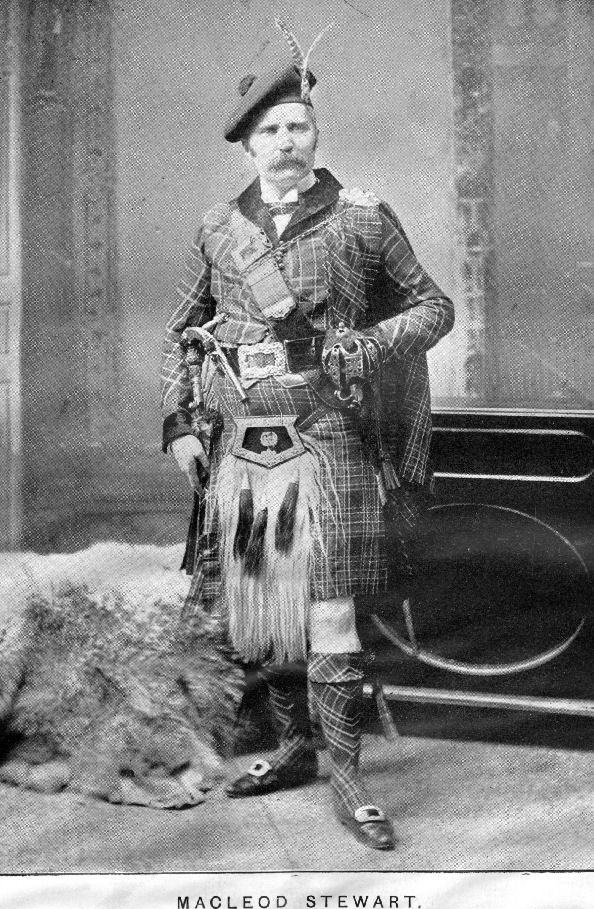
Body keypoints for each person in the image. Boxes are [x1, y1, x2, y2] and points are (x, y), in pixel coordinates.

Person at [160, 22, 454, 851]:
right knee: (265, 615)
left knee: (329, 615)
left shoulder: (363, 218)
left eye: (298, 125)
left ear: (315, 134)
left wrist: (369, 343)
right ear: (248, 144)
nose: (286, 141)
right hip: (244, 446)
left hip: (329, 438)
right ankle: (294, 748)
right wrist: (180, 421)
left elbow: (434, 308)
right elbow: (181, 331)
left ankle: (348, 774)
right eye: (271, 130)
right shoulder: (219, 227)